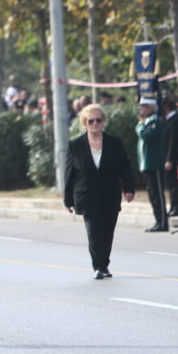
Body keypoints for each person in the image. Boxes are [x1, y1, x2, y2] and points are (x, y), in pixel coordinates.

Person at [64, 104, 135, 279]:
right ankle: (98, 266)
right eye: (91, 121)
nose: (95, 124)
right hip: (86, 195)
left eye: (98, 120)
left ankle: (104, 264)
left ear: (103, 122)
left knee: (107, 232)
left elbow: (125, 168)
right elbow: (69, 174)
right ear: (84, 123)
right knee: (94, 232)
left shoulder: (114, 143)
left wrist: (129, 189)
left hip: (110, 193)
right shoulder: (76, 145)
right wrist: (68, 200)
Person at [136, 97, 168, 231]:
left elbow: (145, 135)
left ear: (150, 107)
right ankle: (158, 221)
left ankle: (163, 223)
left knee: (158, 195)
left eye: (143, 106)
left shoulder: (155, 120)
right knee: (152, 194)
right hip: (146, 164)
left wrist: (139, 126)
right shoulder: (147, 121)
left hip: (154, 164)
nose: (140, 109)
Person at [161, 97, 178, 217]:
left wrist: (169, 159)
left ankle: (177, 207)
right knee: (170, 184)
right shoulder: (168, 120)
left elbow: (173, 142)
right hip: (167, 157)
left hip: (171, 158)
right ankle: (174, 206)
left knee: (173, 183)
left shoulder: (174, 120)